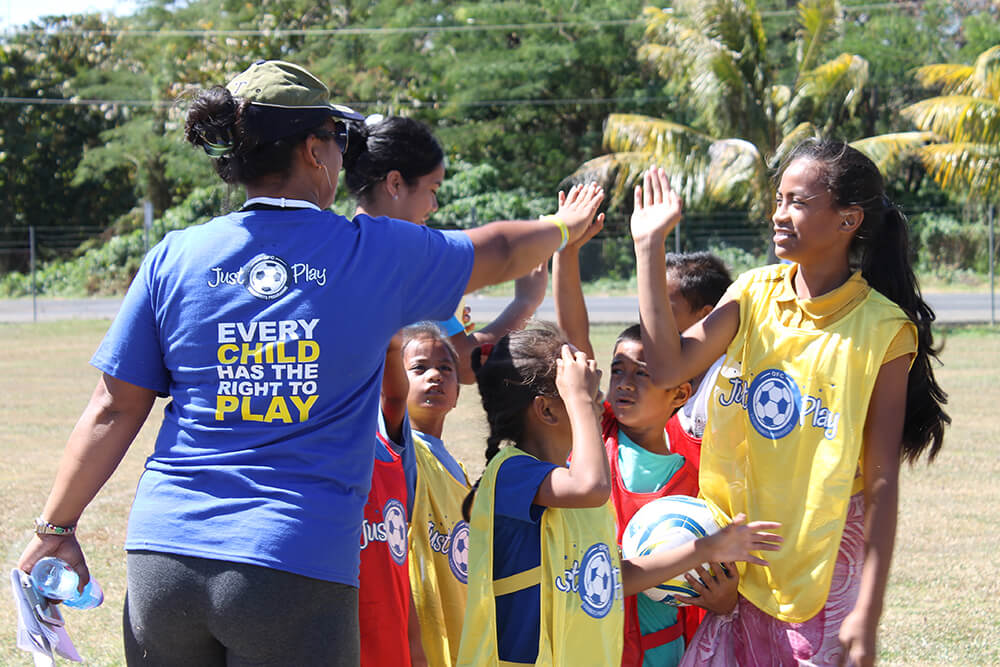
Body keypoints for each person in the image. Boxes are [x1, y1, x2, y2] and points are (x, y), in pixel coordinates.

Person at [16, 59, 607, 667]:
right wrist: (563, 226)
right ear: (315, 151)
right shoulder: (369, 252)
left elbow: (114, 406)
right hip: (294, 563)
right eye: (338, 140)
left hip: (164, 560)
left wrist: (54, 531)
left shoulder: (175, 257)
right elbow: (500, 248)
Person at [630, 141, 949, 667]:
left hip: (820, 576)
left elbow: (881, 484)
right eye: (778, 199)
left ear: (848, 219)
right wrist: (648, 248)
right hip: (736, 559)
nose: (779, 214)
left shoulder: (885, 330)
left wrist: (866, 613)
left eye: (797, 202)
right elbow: (667, 369)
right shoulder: (752, 293)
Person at [455, 325, 783, 666]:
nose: (601, 400)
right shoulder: (510, 474)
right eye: (587, 393)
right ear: (548, 411)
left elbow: (614, 578)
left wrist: (711, 547)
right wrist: (579, 399)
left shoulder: (577, 496)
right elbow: (591, 486)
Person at [553, 223, 735, 666]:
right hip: (598, 642)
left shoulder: (699, 462)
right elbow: (575, 339)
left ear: (679, 393)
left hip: (669, 649)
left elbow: (723, 572)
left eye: (644, 372)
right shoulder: (599, 434)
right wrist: (566, 250)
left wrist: (725, 599)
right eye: (618, 371)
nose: (625, 383)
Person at [344, 114, 548, 384]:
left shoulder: (333, 250)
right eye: (432, 189)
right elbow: (464, 363)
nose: (434, 205)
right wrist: (525, 303)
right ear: (395, 184)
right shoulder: (416, 263)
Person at [663, 252, 732, 445]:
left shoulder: (727, 384)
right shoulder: (651, 367)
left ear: (707, 316)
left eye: (663, 310)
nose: (652, 322)